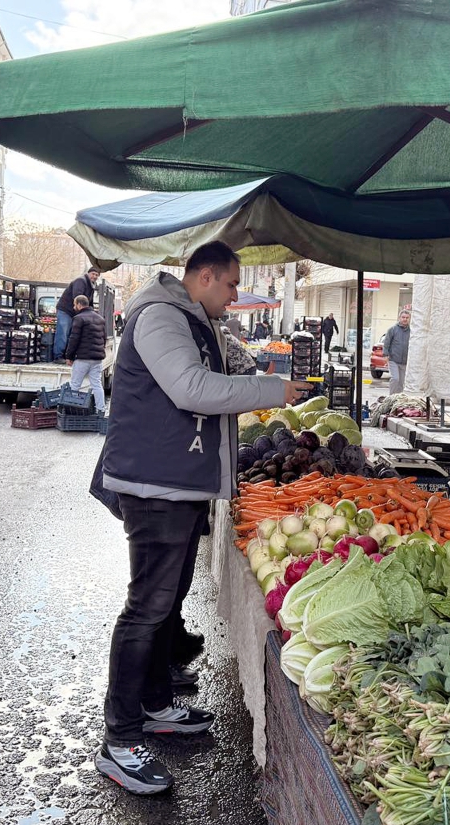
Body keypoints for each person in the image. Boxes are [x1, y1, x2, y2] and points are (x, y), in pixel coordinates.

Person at [91, 240, 310, 795]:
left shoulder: (191, 317)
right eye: (232, 285)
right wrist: (271, 391)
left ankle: (157, 705)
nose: (236, 297)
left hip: (177, 484)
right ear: (206, 276)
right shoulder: (162, 316)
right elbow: (191, 388)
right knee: (146, 608)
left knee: (166, 603)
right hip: (155, 485)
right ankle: (120, 741)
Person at [65, 295, 108, 414]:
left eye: (75, 305)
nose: (74, 307)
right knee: (97, 384)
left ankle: (72, 411)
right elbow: (103, 338)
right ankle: (101, 410)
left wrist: (69, 356)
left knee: (75, 385)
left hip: (82, 358)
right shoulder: (100, 318)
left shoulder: (79, 318)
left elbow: (74, 339)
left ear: (79, 304)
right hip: (97, 359)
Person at [53, 267, 100, 360]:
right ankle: (58, 356)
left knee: (71, 335)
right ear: (88, 273)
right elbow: (78, 298)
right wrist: (84, 313)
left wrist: (92, 313)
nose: (94, 276)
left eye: (97, 275)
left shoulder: (91, 286)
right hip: (66, 311)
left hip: (75, 313)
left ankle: (67, 356)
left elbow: (88, 303)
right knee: (63, 333)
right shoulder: (81, 281)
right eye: (93, 274)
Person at [382, 310, 411, 395]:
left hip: (405, 361)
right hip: (393, 359)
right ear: (399, 318)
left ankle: (398, 401)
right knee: (395, 379)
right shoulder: (392, 330)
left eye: (407, 318)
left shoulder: (411, 331)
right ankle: (391, 398)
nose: (405, 319)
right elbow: (386, 343)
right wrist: (385, 354)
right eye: (403, 317)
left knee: (401, 382)